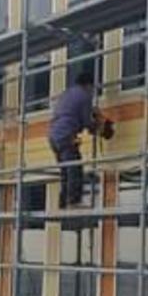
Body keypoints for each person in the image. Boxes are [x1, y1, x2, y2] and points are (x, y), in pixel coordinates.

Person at [48, 72, 113, 209]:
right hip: (66, 134)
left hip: (53, 136)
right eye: (93, 88)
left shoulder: (67, 94)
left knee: (65, 170)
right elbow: (86, 122)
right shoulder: (84, 96)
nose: (93, 91)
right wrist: (98, 126)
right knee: (75, 167)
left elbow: (74, 114)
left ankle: (63, 202)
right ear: (88, 85)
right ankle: (73, 201)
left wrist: (94, 118)